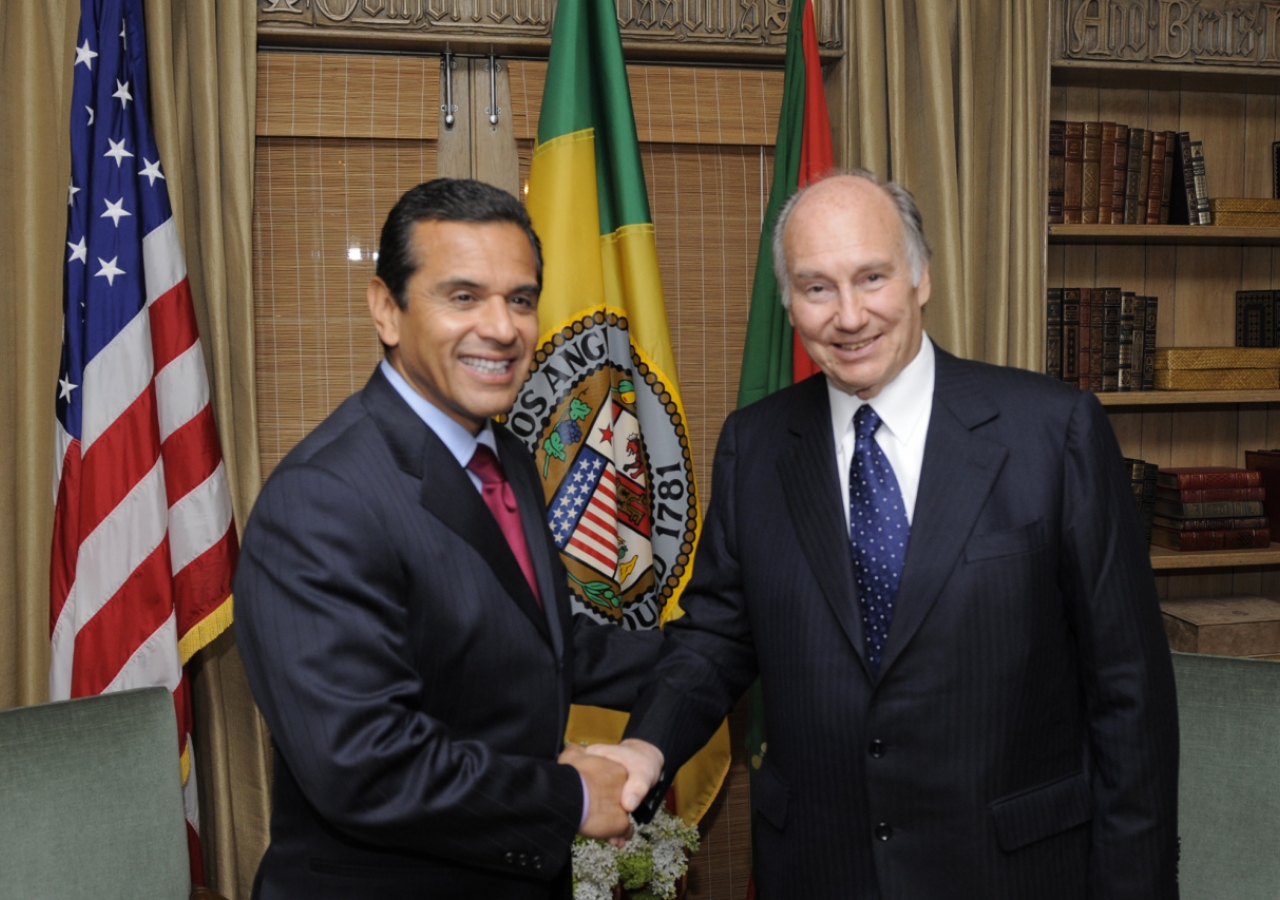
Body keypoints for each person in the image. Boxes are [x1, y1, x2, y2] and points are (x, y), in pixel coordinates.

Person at [588, 171, 1179, 898]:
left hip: (1013, 870)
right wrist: (648, 745)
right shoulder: (757, 445)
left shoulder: (1052, 432)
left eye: (872, 277)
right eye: (816, 288)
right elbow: (716, 635)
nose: (849, 315)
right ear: (788, 302)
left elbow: (1129, 693)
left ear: (921, 276)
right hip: (819, 868)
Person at [234, 178, 659, 900]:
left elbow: (531, 644)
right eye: (463, 297)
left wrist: (730, 643)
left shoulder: (504, 455)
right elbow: (364, 764)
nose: (502, 327)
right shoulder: (322, 499)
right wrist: (570, 798)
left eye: (520, 299)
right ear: (386, 310)